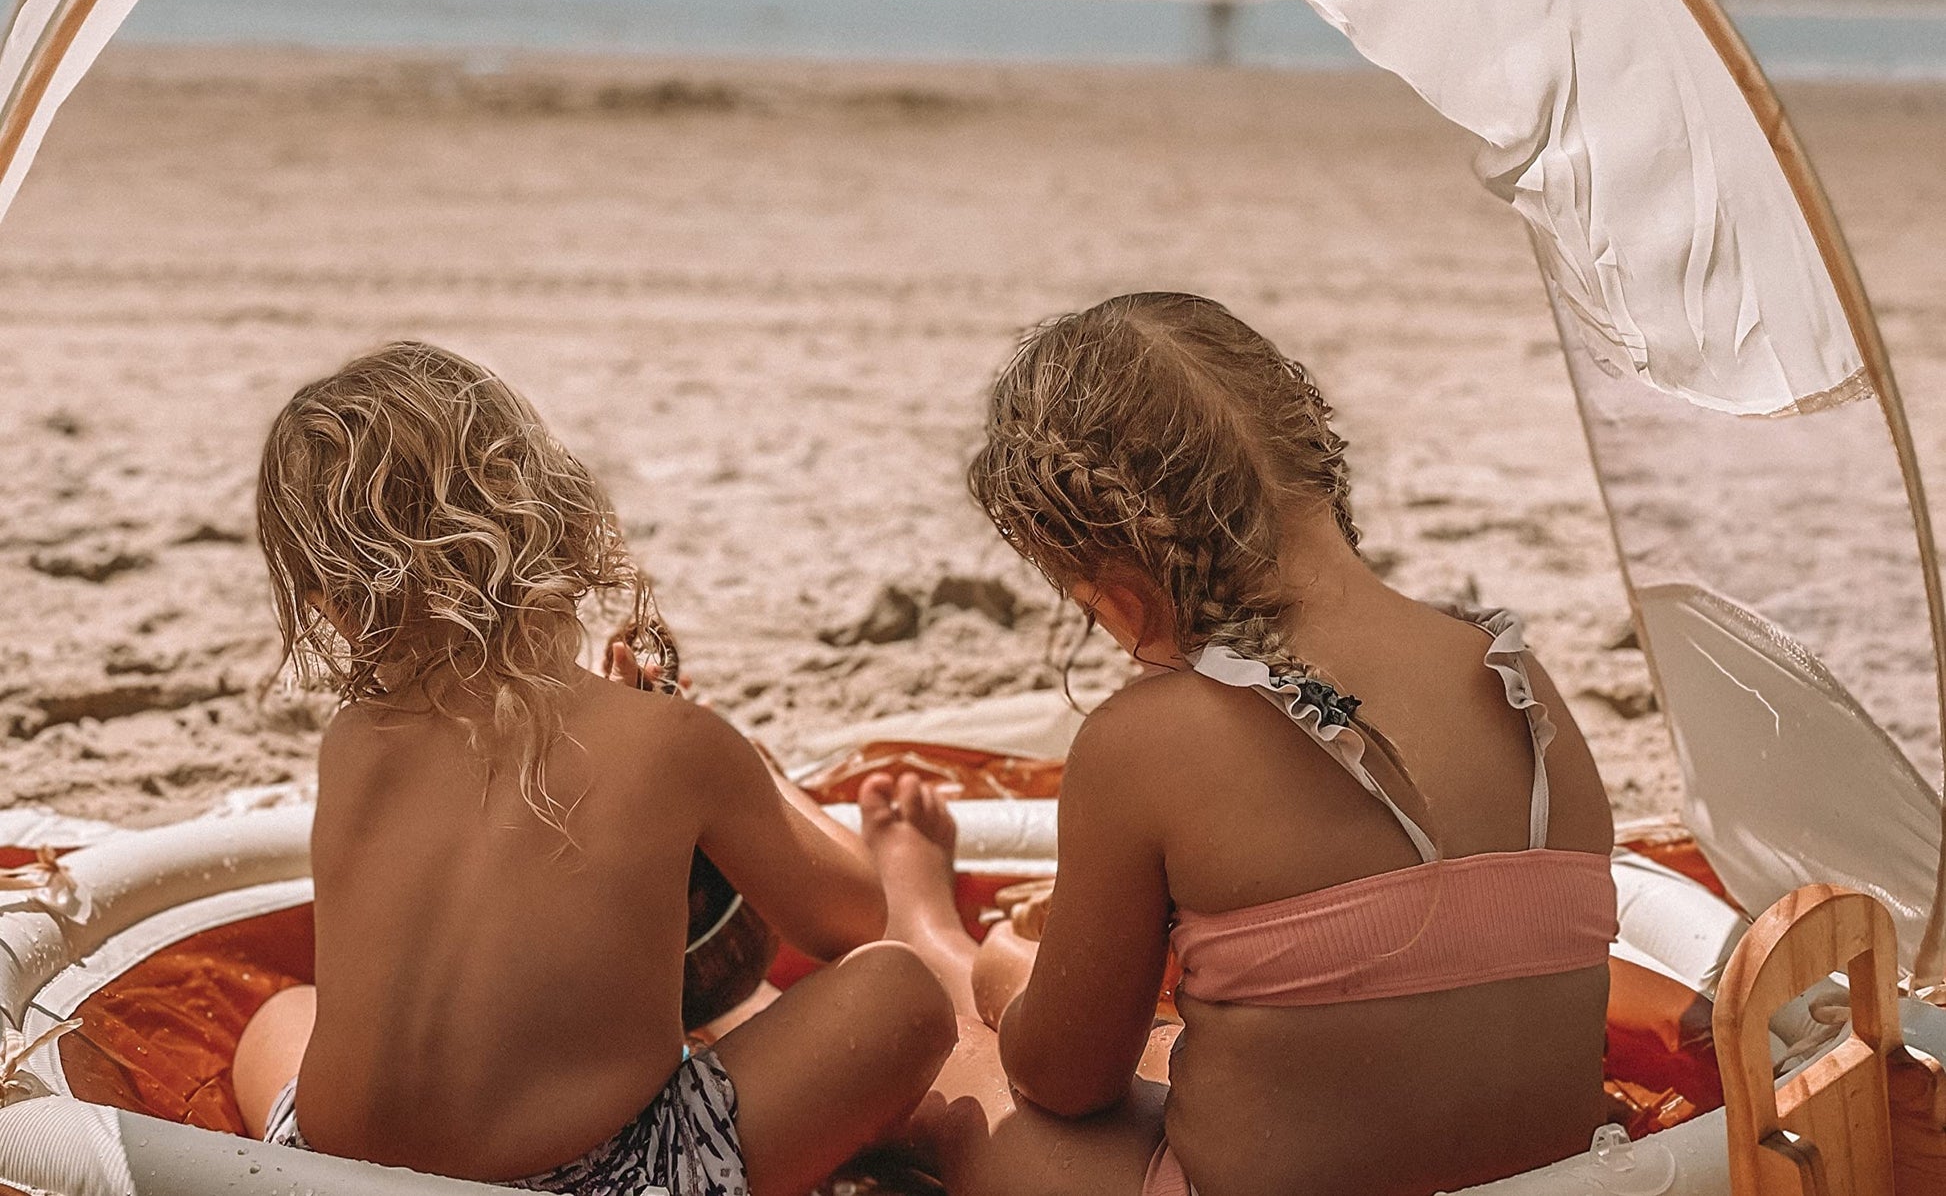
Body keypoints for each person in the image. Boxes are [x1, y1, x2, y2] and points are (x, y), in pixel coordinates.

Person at [864, 292, 1617, 1196]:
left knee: (969, 1087)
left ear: (1111, 583)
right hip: (1563, 1180)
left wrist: (1003, 980)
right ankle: (943, 940)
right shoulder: (1516, 681)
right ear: (1318, 460)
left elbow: (1066, 1081)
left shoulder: (1144, 743)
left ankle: (935, 936)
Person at [231, 341, 954, 1196]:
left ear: (330, 604)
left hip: (337, 1177)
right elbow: (852, 918)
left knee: (282, 1017)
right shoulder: (673, 742)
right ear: (552, 514)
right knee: (898, 993)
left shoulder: (350, 741)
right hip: (597, 1180)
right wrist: (743, 760)